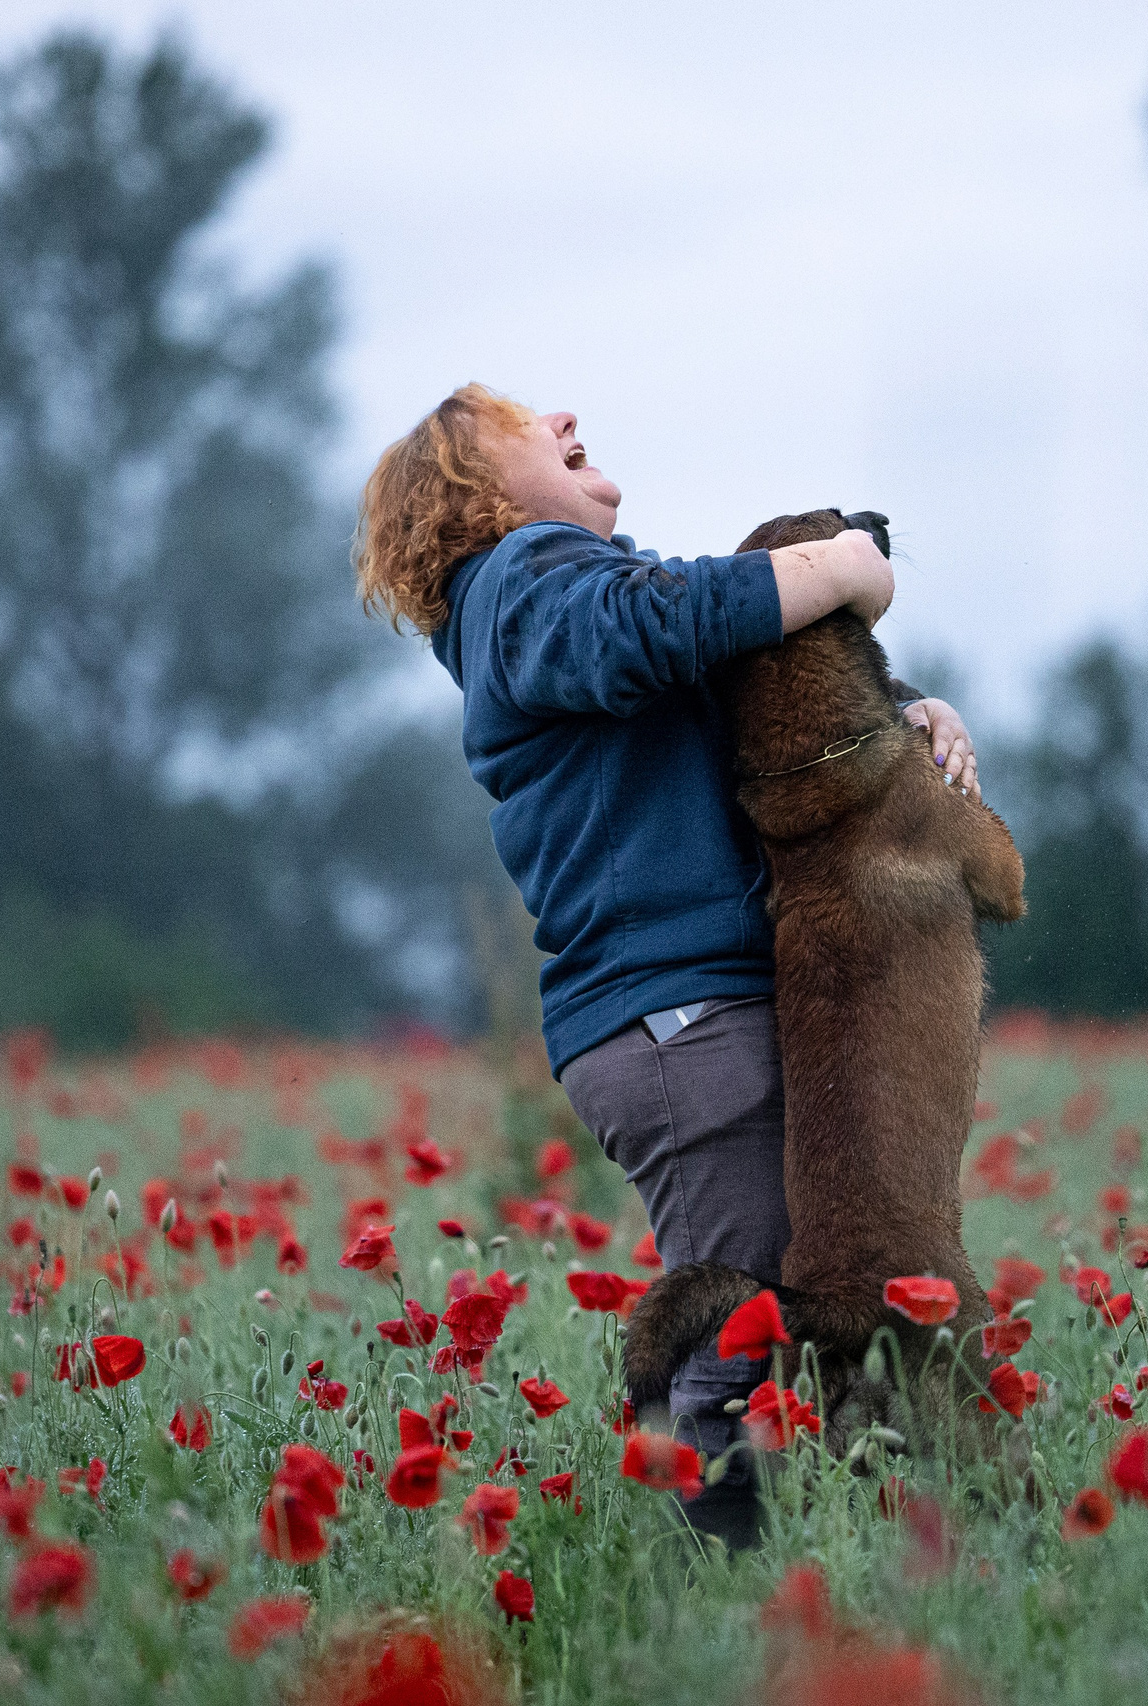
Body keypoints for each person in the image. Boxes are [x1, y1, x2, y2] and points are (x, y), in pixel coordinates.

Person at [353, 384, 981, 1546]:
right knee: (731, 1334)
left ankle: (882, 1552)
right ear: (484, 496)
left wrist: (900, 714)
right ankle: (706, 1595)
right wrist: (842, 569)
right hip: (676, 1025)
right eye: (525, 420)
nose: (566, 413)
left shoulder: (551, 604)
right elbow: (665, 620)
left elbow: (734, 693)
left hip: (690, 1017)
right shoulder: (525, 583)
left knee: (810, 1313)